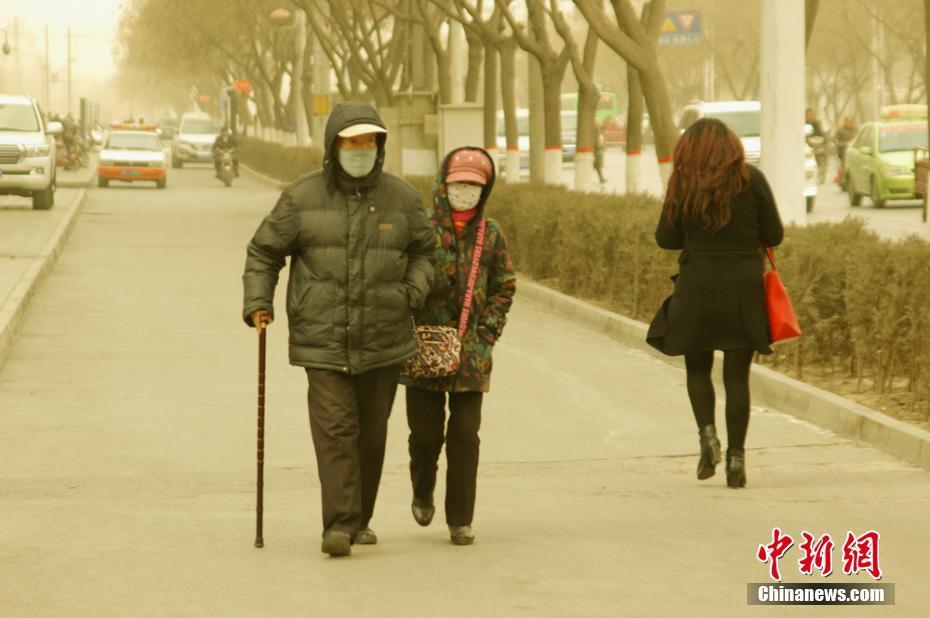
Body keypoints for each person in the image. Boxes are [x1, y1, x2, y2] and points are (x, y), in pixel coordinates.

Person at [242, 101, 435, 557]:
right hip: (322, 338)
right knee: (335, 431)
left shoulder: (403, 198)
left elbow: (427, 252)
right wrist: (258, 302)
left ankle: (360, 517)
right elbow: (264, 252)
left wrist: (411, 292)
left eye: (368, 141)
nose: (360, 150)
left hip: (384, 336)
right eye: (351, 142)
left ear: (380, 146)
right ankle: (339, 523)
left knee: (371, 434)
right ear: (334, 146)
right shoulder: (301, 196)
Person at [646, 118, 784, 489]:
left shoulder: (683, 183)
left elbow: (665, 239)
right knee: (737, 376)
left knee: (697, 369)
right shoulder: (750, 179)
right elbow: (775, 233)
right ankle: (737, 459)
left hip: (697, 286)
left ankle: (708, 437)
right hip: (743, 288)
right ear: (732, 146)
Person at [401, 147, 516, 545]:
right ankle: (422, 488)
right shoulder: (420, 228)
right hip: (423, 350)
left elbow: (504, 286)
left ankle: (460, 519)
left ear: (485, 190)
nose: (464, 191)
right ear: (443, 184)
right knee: (426, 436)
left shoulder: (492, 233)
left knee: (465, 436)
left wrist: (486, 336)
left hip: (472, 355)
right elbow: (400, 278)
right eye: (458, 183)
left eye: (473, 185)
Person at [593, 120, 607, 185]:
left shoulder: (597, 132)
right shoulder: (595, 133)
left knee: (598, 167)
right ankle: (601, 179)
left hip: (598, 151)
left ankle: (601, 178)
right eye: (597, 124)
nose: (598, 125)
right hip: (597, 151)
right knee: (597, 166)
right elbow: (596, 143)